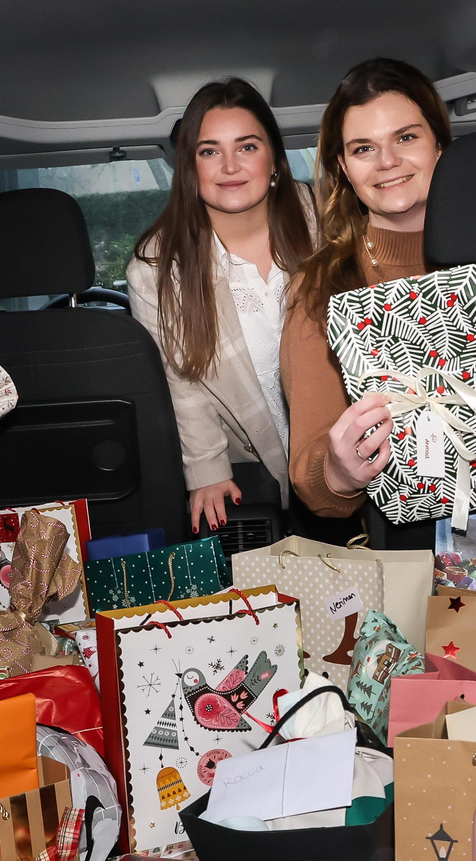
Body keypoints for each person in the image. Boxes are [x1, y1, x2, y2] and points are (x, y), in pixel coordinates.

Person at [127, 79, 316, 534]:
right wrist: (207, 469)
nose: (229, 166)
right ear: (189, 166)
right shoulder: (156, 267)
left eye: (247, 146)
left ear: (274, 158)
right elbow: (181, 380)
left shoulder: (322, 216)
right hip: (250, 464)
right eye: (209, 151)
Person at [283, 58, 453, 523]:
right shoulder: (320, 287)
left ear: (439, 143)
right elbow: (310, 474)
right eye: (363, 148)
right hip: (401, 541)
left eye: (406, 137)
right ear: (343, 166)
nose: (387, 162)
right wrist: (338, 472)